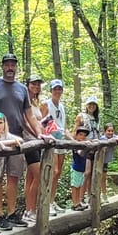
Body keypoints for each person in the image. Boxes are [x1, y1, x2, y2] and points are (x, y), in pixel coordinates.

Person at [0, 53, 51, 230]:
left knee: (14, 177)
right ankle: (0, 215)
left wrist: (39, 134)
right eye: (7, 64)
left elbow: (29, 115)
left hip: (17, 139)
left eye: (13, 64)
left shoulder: (21, 89)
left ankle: (11, 213)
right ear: (2, 66)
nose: (10, 67)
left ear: (16, 67)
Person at [40, 79, 68, 216]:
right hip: (51, 142)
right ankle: (46, 203)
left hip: (61, 141)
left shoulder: (62, 107)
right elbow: (42, 123)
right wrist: (49, 135)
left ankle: (52, 201)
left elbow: (64, 127)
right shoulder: (46, 104)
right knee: (53, 171)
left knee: (58, 173)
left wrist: (74, 140)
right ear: (51, 90)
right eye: (55, 89)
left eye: (59, 89)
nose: (57, 91)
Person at [22, 75, 45, 225]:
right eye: (33, 84)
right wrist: (37, 134)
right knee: (39, 174)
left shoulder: (36, 103)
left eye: (38, 84)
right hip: (29, 141)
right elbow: (25, 122)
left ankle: (29, 210)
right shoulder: (23, 101)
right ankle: (31, 210)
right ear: (27, 85)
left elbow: (38, 121)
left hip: (38, 142)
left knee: (31, 177)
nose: (36, 86)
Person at [72, 96, 101, 202]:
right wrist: (76, 144)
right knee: (86, 172)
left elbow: (99, 132)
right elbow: (75, 131)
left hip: (96, 147)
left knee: (93, 173)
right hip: (85, 148)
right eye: (90, 104)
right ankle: (80, 197)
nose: (91, 106)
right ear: (86, 105)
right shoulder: (81, 116)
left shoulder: (97, 118)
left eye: (93, 104)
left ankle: (90, 196)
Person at [98, 123, 118, 199]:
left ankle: (104, 195)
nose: (110, 132)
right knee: (98, 178)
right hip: (98, 161)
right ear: (104, 131)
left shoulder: (114, 137)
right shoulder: (102, 138)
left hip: (105, 162)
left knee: (103, 178)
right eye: (108, 131)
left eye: (112, 131)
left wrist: (115, 139)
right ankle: (97, 195)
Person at [70, 125, 92, 211]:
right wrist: (86, 146)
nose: (82, 137)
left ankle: (78, 202)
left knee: (79, 186)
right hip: (76, 169)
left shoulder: (84, 144)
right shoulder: (76, 145)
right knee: (75, 186)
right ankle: (75, 204)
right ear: (76, 135)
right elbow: (80, 153)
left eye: (84, 135)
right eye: (80, 134)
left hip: (81, 169)